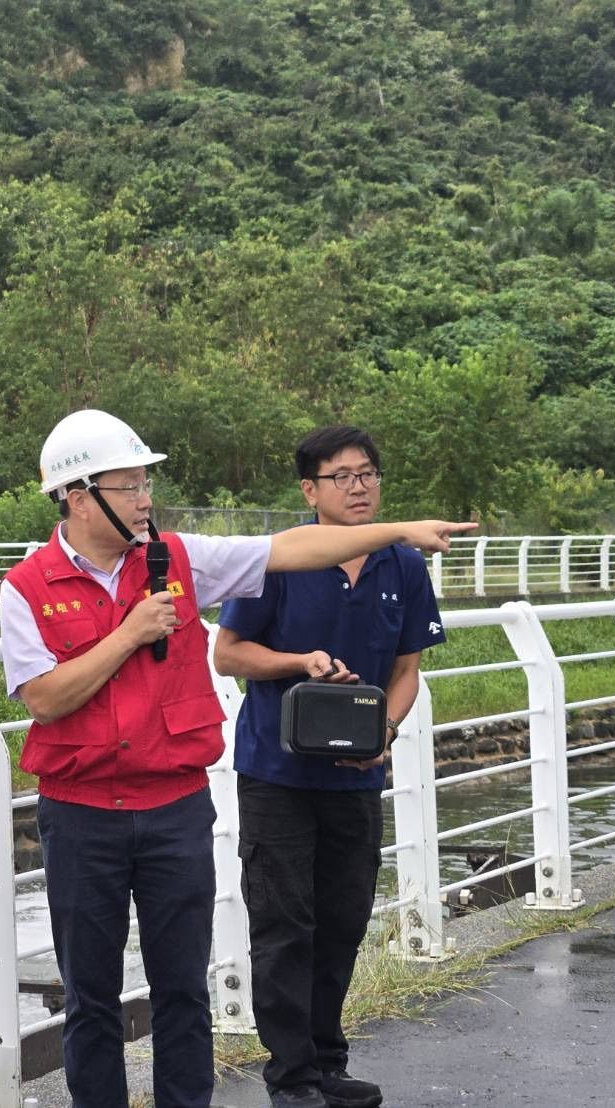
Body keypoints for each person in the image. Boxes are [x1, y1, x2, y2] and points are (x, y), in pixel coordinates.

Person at [0, 409, 473, 1108]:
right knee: (91, 995)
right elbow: (43, 699)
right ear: (77, 495)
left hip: (174, 809)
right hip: (82, 815)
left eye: (144, 484)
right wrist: (130, 634)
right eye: (128, 487)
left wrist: (401, 531)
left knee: (184, 988)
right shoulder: (26, 586)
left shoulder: (183, 560)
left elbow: (294, 550)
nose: (144, 499)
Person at [213, 425, 448, 1108]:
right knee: (285, 925)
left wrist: (390, 729)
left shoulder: (402, 564)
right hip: (277, 776)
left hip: (357, 774)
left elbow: (407, 672)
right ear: (309, 490)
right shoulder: (280, 560)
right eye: (341, 476)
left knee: (342, 920)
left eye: (368, 473)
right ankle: (290, 1078)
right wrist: (299, 662)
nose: (358, 486)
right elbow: (228, 653)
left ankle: (326, 1063)